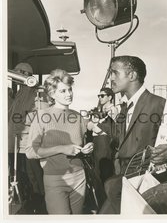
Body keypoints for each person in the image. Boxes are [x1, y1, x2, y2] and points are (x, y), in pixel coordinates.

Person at [98, 55, 167, 214]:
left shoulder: (158, 104)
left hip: (145, 181)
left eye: (114, 73)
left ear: (132, 75)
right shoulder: (124, 108)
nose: (110, 78)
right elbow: (121, 141)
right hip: (123, 181)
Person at [25, 69, 94, 214]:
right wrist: (62, 148)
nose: (69, 94)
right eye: (63, 91)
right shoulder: (41, 116)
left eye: (69, 90)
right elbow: (30, 152)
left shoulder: (78, 117)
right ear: (52, 94)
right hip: (55, 179)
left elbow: (80, 146)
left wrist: (87, 148)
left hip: (79, 178)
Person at [8, 62, 48, 213]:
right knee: (19, 178)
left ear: (26, 75)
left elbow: (43, 118)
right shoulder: (18, 94)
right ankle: (27, 205)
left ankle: (41, 208)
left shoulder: (38, 93)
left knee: (35, 180)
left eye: (18, 72)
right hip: (13, 145)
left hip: (28, 146)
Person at [87, 88, 117, 183]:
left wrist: (94, 126)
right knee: (97, 170)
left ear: (110, 97)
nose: (100, 98)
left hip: (105, 142)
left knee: (104, 171)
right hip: (97, 142)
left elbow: (107, 129)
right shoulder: (101, 110)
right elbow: (89, 126)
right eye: (99, 96)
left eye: (102, 95)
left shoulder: (113, 110)